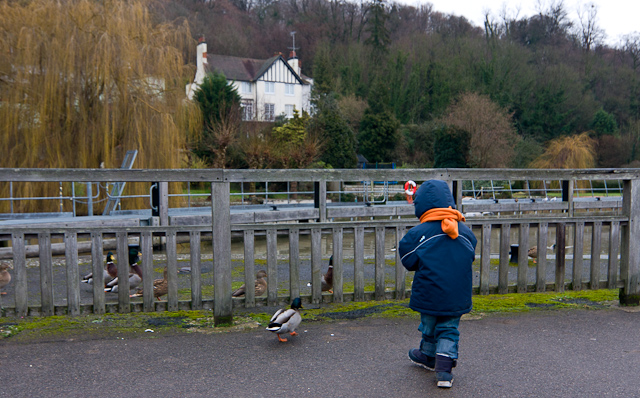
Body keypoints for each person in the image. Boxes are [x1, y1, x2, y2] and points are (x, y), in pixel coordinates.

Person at [398, 179, 477, 388]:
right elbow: (470, 255)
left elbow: (408, 259)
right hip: (457, 293)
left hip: (429, 291)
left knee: (429, 324)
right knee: (449, 327)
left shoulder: (419, 233)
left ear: (421, 204)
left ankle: (427, 355)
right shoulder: (465, 231)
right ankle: (444, 371)